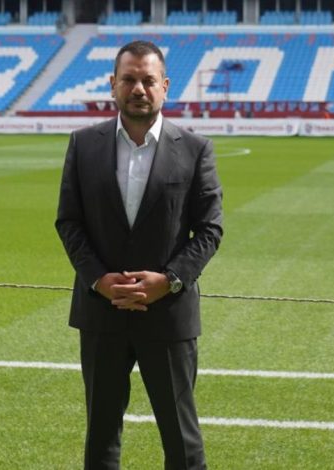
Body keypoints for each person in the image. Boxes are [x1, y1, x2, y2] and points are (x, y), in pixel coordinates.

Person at [55, 40, 223, 470]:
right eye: (128, 79)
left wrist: (169, 281)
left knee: (182, 440)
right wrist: (99, 279)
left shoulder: (195, 148)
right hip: (102, 312)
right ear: (112, 84)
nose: (138, 89)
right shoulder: (83, 145)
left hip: (168, 314)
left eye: (148, 80)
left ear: (165, 86)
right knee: (101, 439)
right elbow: (69, 222)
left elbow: (210, 229)